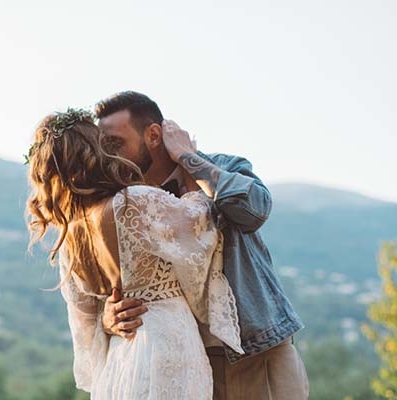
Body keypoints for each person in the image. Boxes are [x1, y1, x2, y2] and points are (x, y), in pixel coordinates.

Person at [95, 91, 309, 399]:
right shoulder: (123, 204)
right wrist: (108, 316)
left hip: (256, 351)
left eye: (115, 143)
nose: (107, 155)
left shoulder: (222, 166)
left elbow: (255, 210)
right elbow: (103, 278)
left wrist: (186, 157)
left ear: (154, 135)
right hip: (185, 363)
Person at [26, 108, 244, 399]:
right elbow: (201, 225)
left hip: (121, 356)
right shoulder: (133, 202)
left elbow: (85, 321)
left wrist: (107, 319)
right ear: (95, 149)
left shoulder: (71, 232)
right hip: (166, 344)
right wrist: (187, 159)